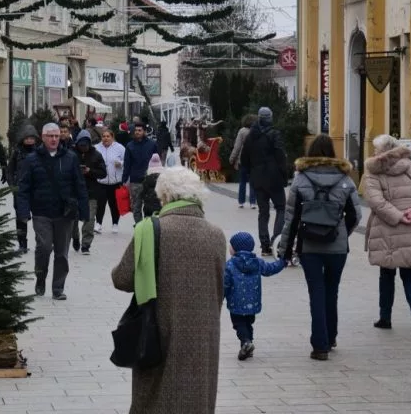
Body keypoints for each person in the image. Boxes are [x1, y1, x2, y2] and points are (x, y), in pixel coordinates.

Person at [111, 167, 226, 414]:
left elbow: (122, 279)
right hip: (204, 333)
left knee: (156, 397)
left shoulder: (150, 229)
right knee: (197, 396)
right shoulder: (216, 235)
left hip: (159, 330)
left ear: (164, 195)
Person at [278, 134, 361, 361]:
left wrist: (285, 249)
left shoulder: (300, 179)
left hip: (310, 246)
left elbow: (291, 218)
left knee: (316, 292)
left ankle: (320, 346)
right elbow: (355, 215)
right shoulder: (345, 179)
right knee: (332, 291)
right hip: (337, 247)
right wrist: (341, 233)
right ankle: (331, 336)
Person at [362, 134, 411, 333]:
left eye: (376, 149)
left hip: (387, 229)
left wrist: (398, 216)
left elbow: (376, 202)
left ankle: (385, 317)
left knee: (386, 274)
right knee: (409, 273)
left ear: (383, 151)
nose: (374, 153)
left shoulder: (373, 173)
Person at [15, 123, 89, 300]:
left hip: (64, 213)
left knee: (62, 253)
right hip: (41, 212)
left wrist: (84, 212)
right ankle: (40, 278)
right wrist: (23, 212)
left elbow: (80, 186)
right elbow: (23, 188)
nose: (54, 139)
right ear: (43, 137)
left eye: (56, 136)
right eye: (50, 136)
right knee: (44, 247)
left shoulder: (70, 158)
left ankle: (58, 288)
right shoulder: (32, 160)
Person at [224, 231, 285, 361]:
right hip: (252, 303)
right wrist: (282, 262)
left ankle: (246, 343)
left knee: (239, 324)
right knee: (248, 323)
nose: (229, 248)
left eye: (231, 245)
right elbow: (270, 269)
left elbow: (225, 283)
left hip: (236, 303)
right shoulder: (257, 262)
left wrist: (219, 297)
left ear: (236, 248)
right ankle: (248, 345)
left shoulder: (230, 265)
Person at [241, 107, 288, 256]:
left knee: (263, 212)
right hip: (274, 178)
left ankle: (265, 246)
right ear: (270, 118)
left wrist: (251, 173)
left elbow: (244, 159)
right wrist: (285, 175)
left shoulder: (250, 137)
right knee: (281, 208)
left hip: (258, 179)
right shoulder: (274, 134)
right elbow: (281, 157)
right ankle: (276, 241)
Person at [71, 130, 106, 255]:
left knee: (89, 220)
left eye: (86, 145)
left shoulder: (96, 155)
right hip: (74, 191)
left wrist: (90, 171)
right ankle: (75, 237)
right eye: (81, 145)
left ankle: (86, 244)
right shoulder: (71, 154)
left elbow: (103, 173)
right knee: (72, 220)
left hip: (91, 191)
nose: (84, 148)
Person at [7, 124, 40, 255]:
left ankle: (41, 242)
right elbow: (10, 170)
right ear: (23, 139)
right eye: (27, 138)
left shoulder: (39, 152)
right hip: (20, 190)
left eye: (32, 138)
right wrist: (12, 186)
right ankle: (22, 243)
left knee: (39, 217)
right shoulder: (17, 152)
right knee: (21, 217)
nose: (29, 140)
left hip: (36, 189)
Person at [123, 122, 160, 226]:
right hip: (135, 181)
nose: (137, 132)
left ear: (144, 131)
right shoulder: (130, 146)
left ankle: (148, 226)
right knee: (136, 207)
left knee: (150, 206)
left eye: (139, 130)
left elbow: (157, 161)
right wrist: (124, 179)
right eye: (136, 130)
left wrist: (158, 176)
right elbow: (127, 164)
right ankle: (139, 227)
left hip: (149, 181)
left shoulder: (152, 144)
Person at [94, 128, 126, 233]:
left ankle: (115, 224)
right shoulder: (96, 148)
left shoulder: (119, 148)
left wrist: (121, 163)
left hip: (115, 182)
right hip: (101, 181)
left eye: (108, 136)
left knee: (114, 205)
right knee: (100, 204)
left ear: (112, 137)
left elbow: (127, 160)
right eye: (103, 136)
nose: (105, 138)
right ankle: (98, 224)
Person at [230, 114, 258, 209]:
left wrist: (232, 158)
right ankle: (253, 202)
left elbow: (237, 147)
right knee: (253, 182)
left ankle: (241, 202)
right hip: (254, 160)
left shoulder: (242, 131)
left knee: (242, 181)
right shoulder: (258, 131)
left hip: (243, 160)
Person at [135, 154, 164, 223]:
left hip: (148, 214)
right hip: (162, 212)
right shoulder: (165, 182)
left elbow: (137, 206)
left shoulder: (144, 182)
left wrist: (139, 223)